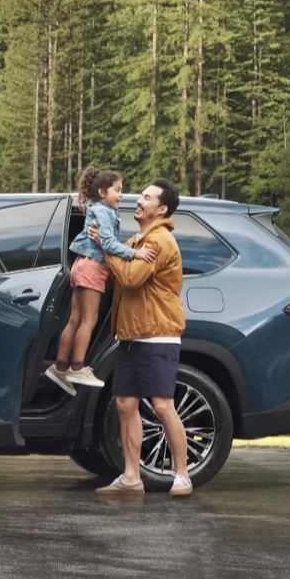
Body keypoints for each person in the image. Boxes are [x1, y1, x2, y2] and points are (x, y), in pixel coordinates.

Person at [93, 178, 193, 498]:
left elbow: (131, 278)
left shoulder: (159, 241)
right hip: (131, 335)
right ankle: (131, 477)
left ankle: (182, 475)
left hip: (157, 335)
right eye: (140, 196)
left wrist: (106, 247)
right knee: (125, 404)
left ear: (161, 209)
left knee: (163, 405)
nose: (138, 200)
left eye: (146, 198)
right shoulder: (139, 241)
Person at [46, 167, 156, 395]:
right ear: (102, 192)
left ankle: (60, 367)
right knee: (89, 319)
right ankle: (77, 367)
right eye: (118, 190)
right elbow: (108, 243)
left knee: (74, 320)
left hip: (81, 265)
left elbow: (106, 241)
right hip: (93, 268)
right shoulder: (104, 212)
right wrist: (136, 253)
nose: (121, 195)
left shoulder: (96, 208)